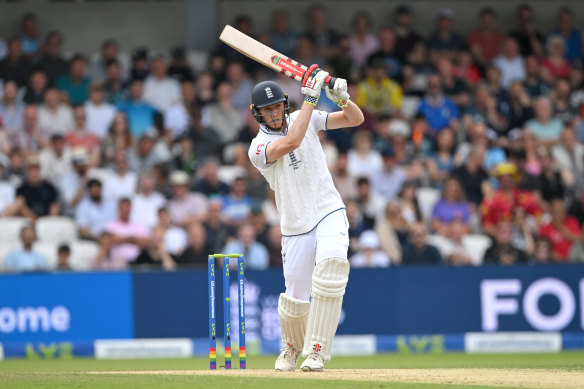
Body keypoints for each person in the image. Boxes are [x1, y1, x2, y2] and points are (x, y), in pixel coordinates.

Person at [247, 64, 363, 371]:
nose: (274, 114)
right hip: (295, 223)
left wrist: (341, 99)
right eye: (267, 110)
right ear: (257, 114)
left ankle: (317, 351)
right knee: (295, 297)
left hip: (328, 209)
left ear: (285, 104)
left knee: (331, 271)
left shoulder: (303, 116)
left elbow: (355, 119)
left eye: (277, 107)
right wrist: (311, 99)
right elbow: (291, 143)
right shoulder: (257, 148)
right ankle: (290, 348)